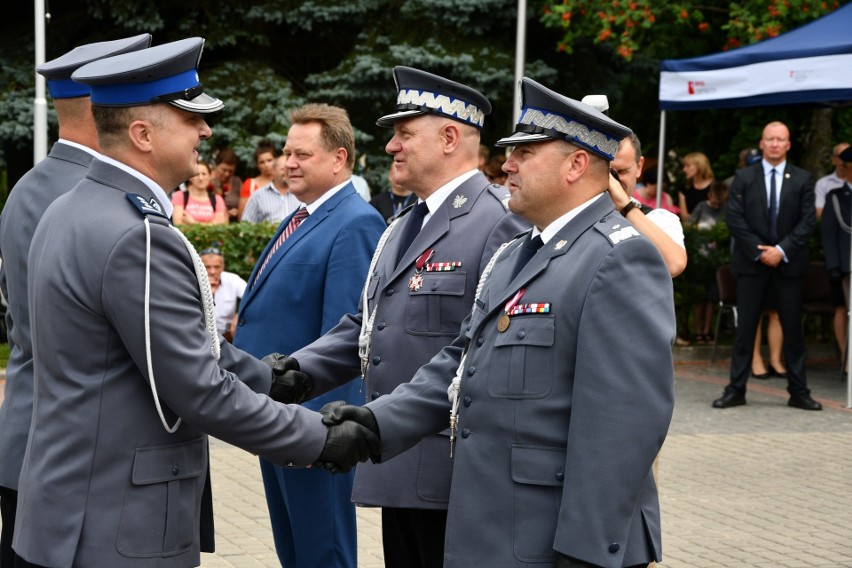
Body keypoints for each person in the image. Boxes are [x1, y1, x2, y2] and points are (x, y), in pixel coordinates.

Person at [13, 37, 376, 568]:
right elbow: (197, 388)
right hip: (118, 528)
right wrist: (317, 438)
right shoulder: (137, 235)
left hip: (72, 515)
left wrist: (266, 377)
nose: (206, 130)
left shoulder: (71, 208)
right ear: (142, 134)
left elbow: (168, 344)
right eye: (188, 118)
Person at [318, 77, 675, 568]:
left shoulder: (620, 259)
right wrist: (375, 424)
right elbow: (456, 367)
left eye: (525, 152)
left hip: (556, 544)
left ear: (575, 164)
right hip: (491, 532)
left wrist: (588, 552)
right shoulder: (515, 256)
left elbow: (624, 431)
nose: (506, 164)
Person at [279, 66, 526, 568]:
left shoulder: (497, 224)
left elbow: (478, 352)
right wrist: (295, 372)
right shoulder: (405, 223)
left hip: (452, 473)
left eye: (405, 134)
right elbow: (370, 327)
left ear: (451, 138)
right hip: (399, 464)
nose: (391, 146)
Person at [0, 33, 153, 568]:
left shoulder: (30, 185)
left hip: (28, 431)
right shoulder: (96, 191)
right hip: (78, 450)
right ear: (103, 103)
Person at [232, 103, 386, 568]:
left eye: (302, 154)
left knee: (323, 549)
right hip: (275, 415)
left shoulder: (355, 222)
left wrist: (322, 435)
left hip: (311, 425)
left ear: (339, 159)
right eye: (286, 152)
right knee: (294, 548)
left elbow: (343, 336)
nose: (288, 162)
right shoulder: (302, 215)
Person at [713, 121, 820, 410]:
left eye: (780, 139)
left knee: (794, 333)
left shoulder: (802, 179)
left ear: (788, 144)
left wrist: (782, 250)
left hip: (789, 265)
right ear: (761, 143)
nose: (774, 143)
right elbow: (735, 219)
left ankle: (799, 392)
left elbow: (808, 220)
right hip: (752, 265)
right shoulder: (743, 177)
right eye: (770, 139)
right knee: (745, 331)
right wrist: (760, 252)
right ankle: (736, 390)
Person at [608, 133, 687, 277]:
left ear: (639, 167)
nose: (615, 181)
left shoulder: (658, 219)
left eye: (622, 171)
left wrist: (626, 207)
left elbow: (674, 265)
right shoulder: (577, 212)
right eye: (609, 172)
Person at [820, 145, 852, 361]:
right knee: (843, 308)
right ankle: (846, 357)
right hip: (845, 264)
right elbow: (829, 234)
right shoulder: (836, 196)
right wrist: (833, 266)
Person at [688, 181, 729, 344]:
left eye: (720, 203)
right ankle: (698, 331)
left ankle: (707, 331)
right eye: (715, 202)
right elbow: (690, 225)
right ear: (709, 196)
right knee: (699, 297)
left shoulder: (726, 210)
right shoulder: (701, 207)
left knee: (712, 297)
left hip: (716, 260)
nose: (717, 205)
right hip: (700, 258)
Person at [201, 246, 247, 342]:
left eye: (216, 267)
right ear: (200, 267)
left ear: (222, 267)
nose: (212, 272)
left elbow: (251, 297)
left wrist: (239, 316)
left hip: (226, 337)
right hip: (199, 336)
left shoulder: (232, 280)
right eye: (207, 267)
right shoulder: (192, 281)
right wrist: (208, 294)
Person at [241, 154, 302, 223]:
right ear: (273, 171)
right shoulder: (257, 196)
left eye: (290, 169)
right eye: (283, 169)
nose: (287, 172)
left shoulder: (302, 194)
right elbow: (246, 225)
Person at [172, 159, 228, 225]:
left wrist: (193, 222)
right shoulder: (180, 196)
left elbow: (220, 226)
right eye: (197, 174)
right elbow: (178, 224)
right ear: (190, 177)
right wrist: (211, 224)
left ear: (210, 176)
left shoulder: (217, 199)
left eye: (204, 174)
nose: (200, 178)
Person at [239, 139, 277, 217]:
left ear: (276, 160)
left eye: (269, 160)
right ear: (257, 165)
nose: (266, 165)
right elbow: (242, 215)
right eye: (262, 162)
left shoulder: (284, 182)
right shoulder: (250, 184)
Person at [814, 142, 850, 221]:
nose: (844, 160)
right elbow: (819, 213)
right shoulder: (823, 183)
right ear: (833, 159)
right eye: (840, 156)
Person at [678, 151, 714, 222]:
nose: (684, 169)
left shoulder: (714, 186)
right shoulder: (684, 188)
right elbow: (684, 217)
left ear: (699, 166)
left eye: (688, 166)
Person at [210, 147, 242, 222]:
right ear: (215, 165)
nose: (227, 174)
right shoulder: (206, 180)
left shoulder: (237, 182)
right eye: (224, 170)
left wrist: (237, 211)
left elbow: (243, 206)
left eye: (230, 171)